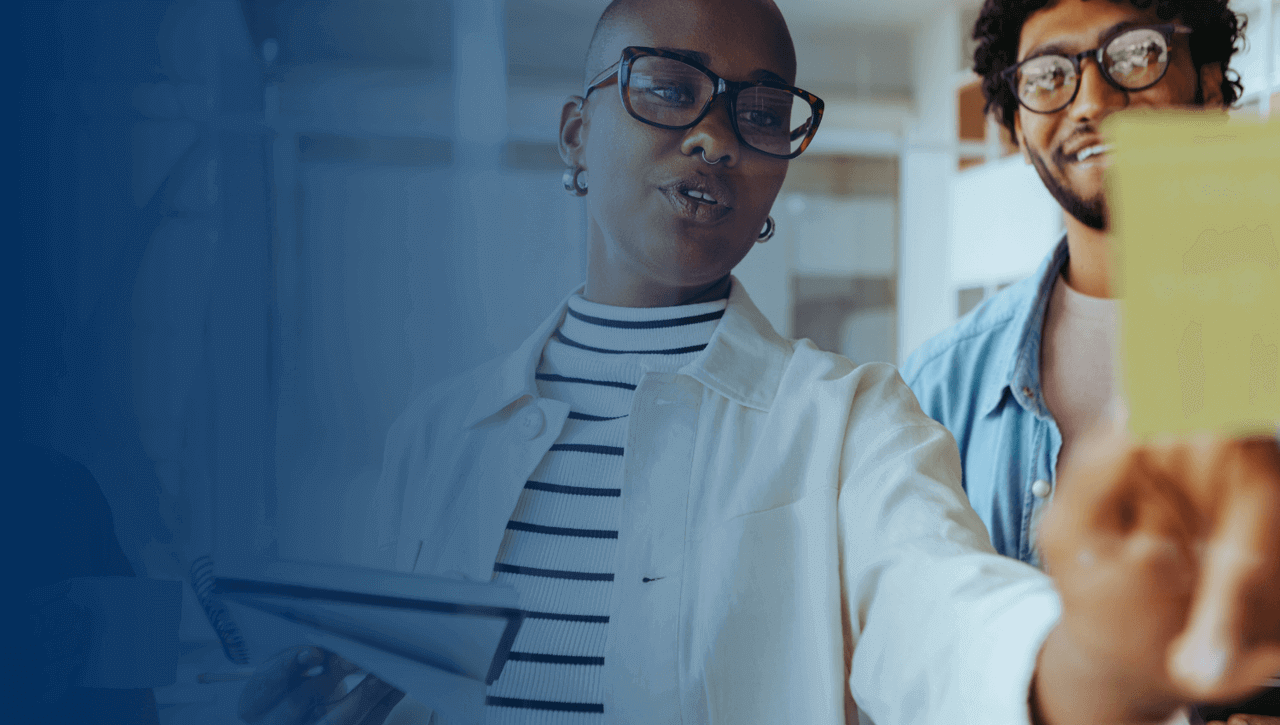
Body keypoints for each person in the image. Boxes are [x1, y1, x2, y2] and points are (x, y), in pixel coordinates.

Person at [237, 1, 1280, 724]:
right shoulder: (432, 433)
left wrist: (1094, 662)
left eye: (761, 110)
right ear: (574, 131)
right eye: (664, 86)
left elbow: (937, 613)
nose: (712, 134)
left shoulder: (854, 417)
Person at [900, 0, 1280, 721]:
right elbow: (920, 656)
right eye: (1048, 76)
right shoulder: (937, 387)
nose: (1095, 101)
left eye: (1135, 56)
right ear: (1014, 123)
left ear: (1206, 83)